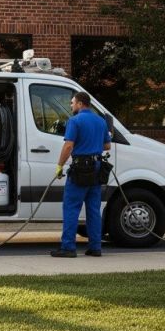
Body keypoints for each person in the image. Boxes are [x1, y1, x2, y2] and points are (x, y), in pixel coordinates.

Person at [50, 90, 111, 258]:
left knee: (71, 207)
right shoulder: (100, 121)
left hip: (80, 169)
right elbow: (107, 146)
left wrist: (59, 166)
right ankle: (95, 247)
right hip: (97, 168)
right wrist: (93, 142)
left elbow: (68, 146)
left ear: (80, 104)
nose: (71, 106)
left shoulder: (74, 121)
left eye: (72, 103)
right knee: (93, 209)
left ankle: (68, 248)